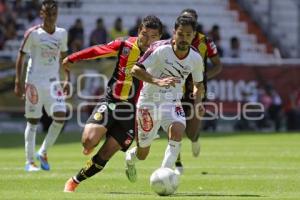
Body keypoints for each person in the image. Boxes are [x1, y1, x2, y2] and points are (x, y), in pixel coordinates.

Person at [63, 15, 163, 192]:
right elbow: (97, 50)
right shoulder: (125, 45)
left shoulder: (161, 54)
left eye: (153, 37)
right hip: (111, 102)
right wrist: (73, 58)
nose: (148, 40)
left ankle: (74, 181)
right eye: (145, 35)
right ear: (139, 31)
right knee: (88, 141)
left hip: (133, 112)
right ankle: (93, 141)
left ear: (159, 37)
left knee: (106, 153)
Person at [125, 15, 205, 182]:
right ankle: (130, 159)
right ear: (174, 32)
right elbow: (135, 70)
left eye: (188, 35)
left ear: (194, 35)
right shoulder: (160, 49)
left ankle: (165, 173)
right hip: (149, 101)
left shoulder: (196, 58)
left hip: (172, 101)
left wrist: (198, 103)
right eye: (181, 34)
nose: (184, 39)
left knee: (177, 130)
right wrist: (157, 81)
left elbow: (198, 84)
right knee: (142, 154)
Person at [14, 0, 69, 172]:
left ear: (57, 15)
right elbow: (21, 56)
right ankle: (29, 162)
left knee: (61, 116)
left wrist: (67, 78)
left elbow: (64, 57)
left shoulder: (62, 33)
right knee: (33, 121)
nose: (51, 18)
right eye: (48, 14)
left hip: (53, 82)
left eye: (54, 14)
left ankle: (43, 152)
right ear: (42, 14)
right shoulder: (34, 34)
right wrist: (18, 81)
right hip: (34, 81)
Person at [174, 8, 223, 174]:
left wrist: (203, 77)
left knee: (191, 131)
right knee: (175, 126)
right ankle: (177, 162)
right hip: (176, 89)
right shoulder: (173, 41)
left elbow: (218, 65)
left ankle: (195, 139)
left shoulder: (205, 42)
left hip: (197, 90)